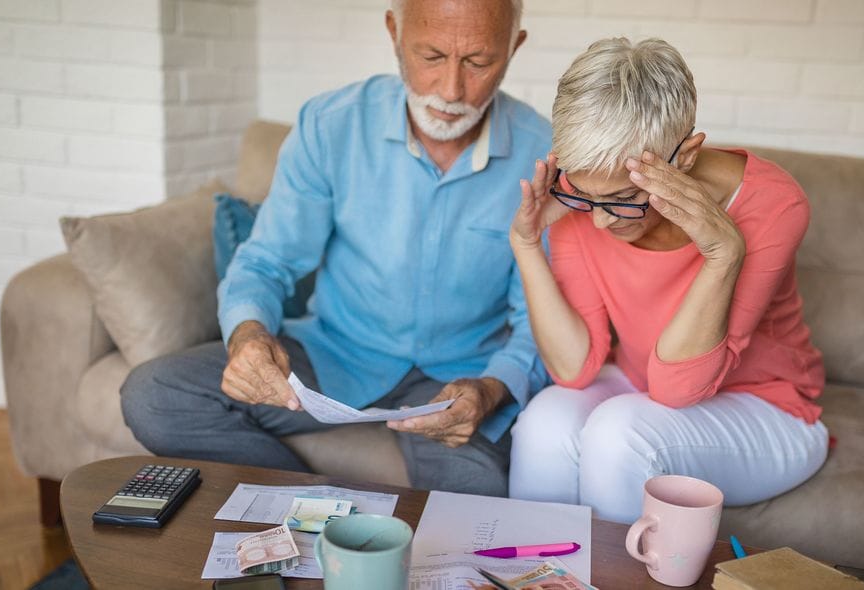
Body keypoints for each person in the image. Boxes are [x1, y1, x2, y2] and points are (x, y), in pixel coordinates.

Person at [120, 0, 551, 497]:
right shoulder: (331, 125)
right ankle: (318, 508)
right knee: (155, 395)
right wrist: (249, 336)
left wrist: (491, 391)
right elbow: (268, 261)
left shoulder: (543, 155)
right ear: (394, 32)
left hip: (459, 379)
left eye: (478, 62)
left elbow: (537, 323)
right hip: (335, 352)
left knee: (477, 494)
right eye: (431, 56)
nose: (451, 90)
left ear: (513, 48)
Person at [507, 38, 829, 523]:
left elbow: (680, 388)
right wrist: (527, 244)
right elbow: (574, 369)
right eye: (585, 196)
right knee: (543, 422)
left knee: (618, 433)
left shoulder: (774, 205)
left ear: (686, 156)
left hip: (770, 409)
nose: (599, 222)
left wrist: (723, 253)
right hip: (642, 386)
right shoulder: (584, 197)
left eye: (621, 199)